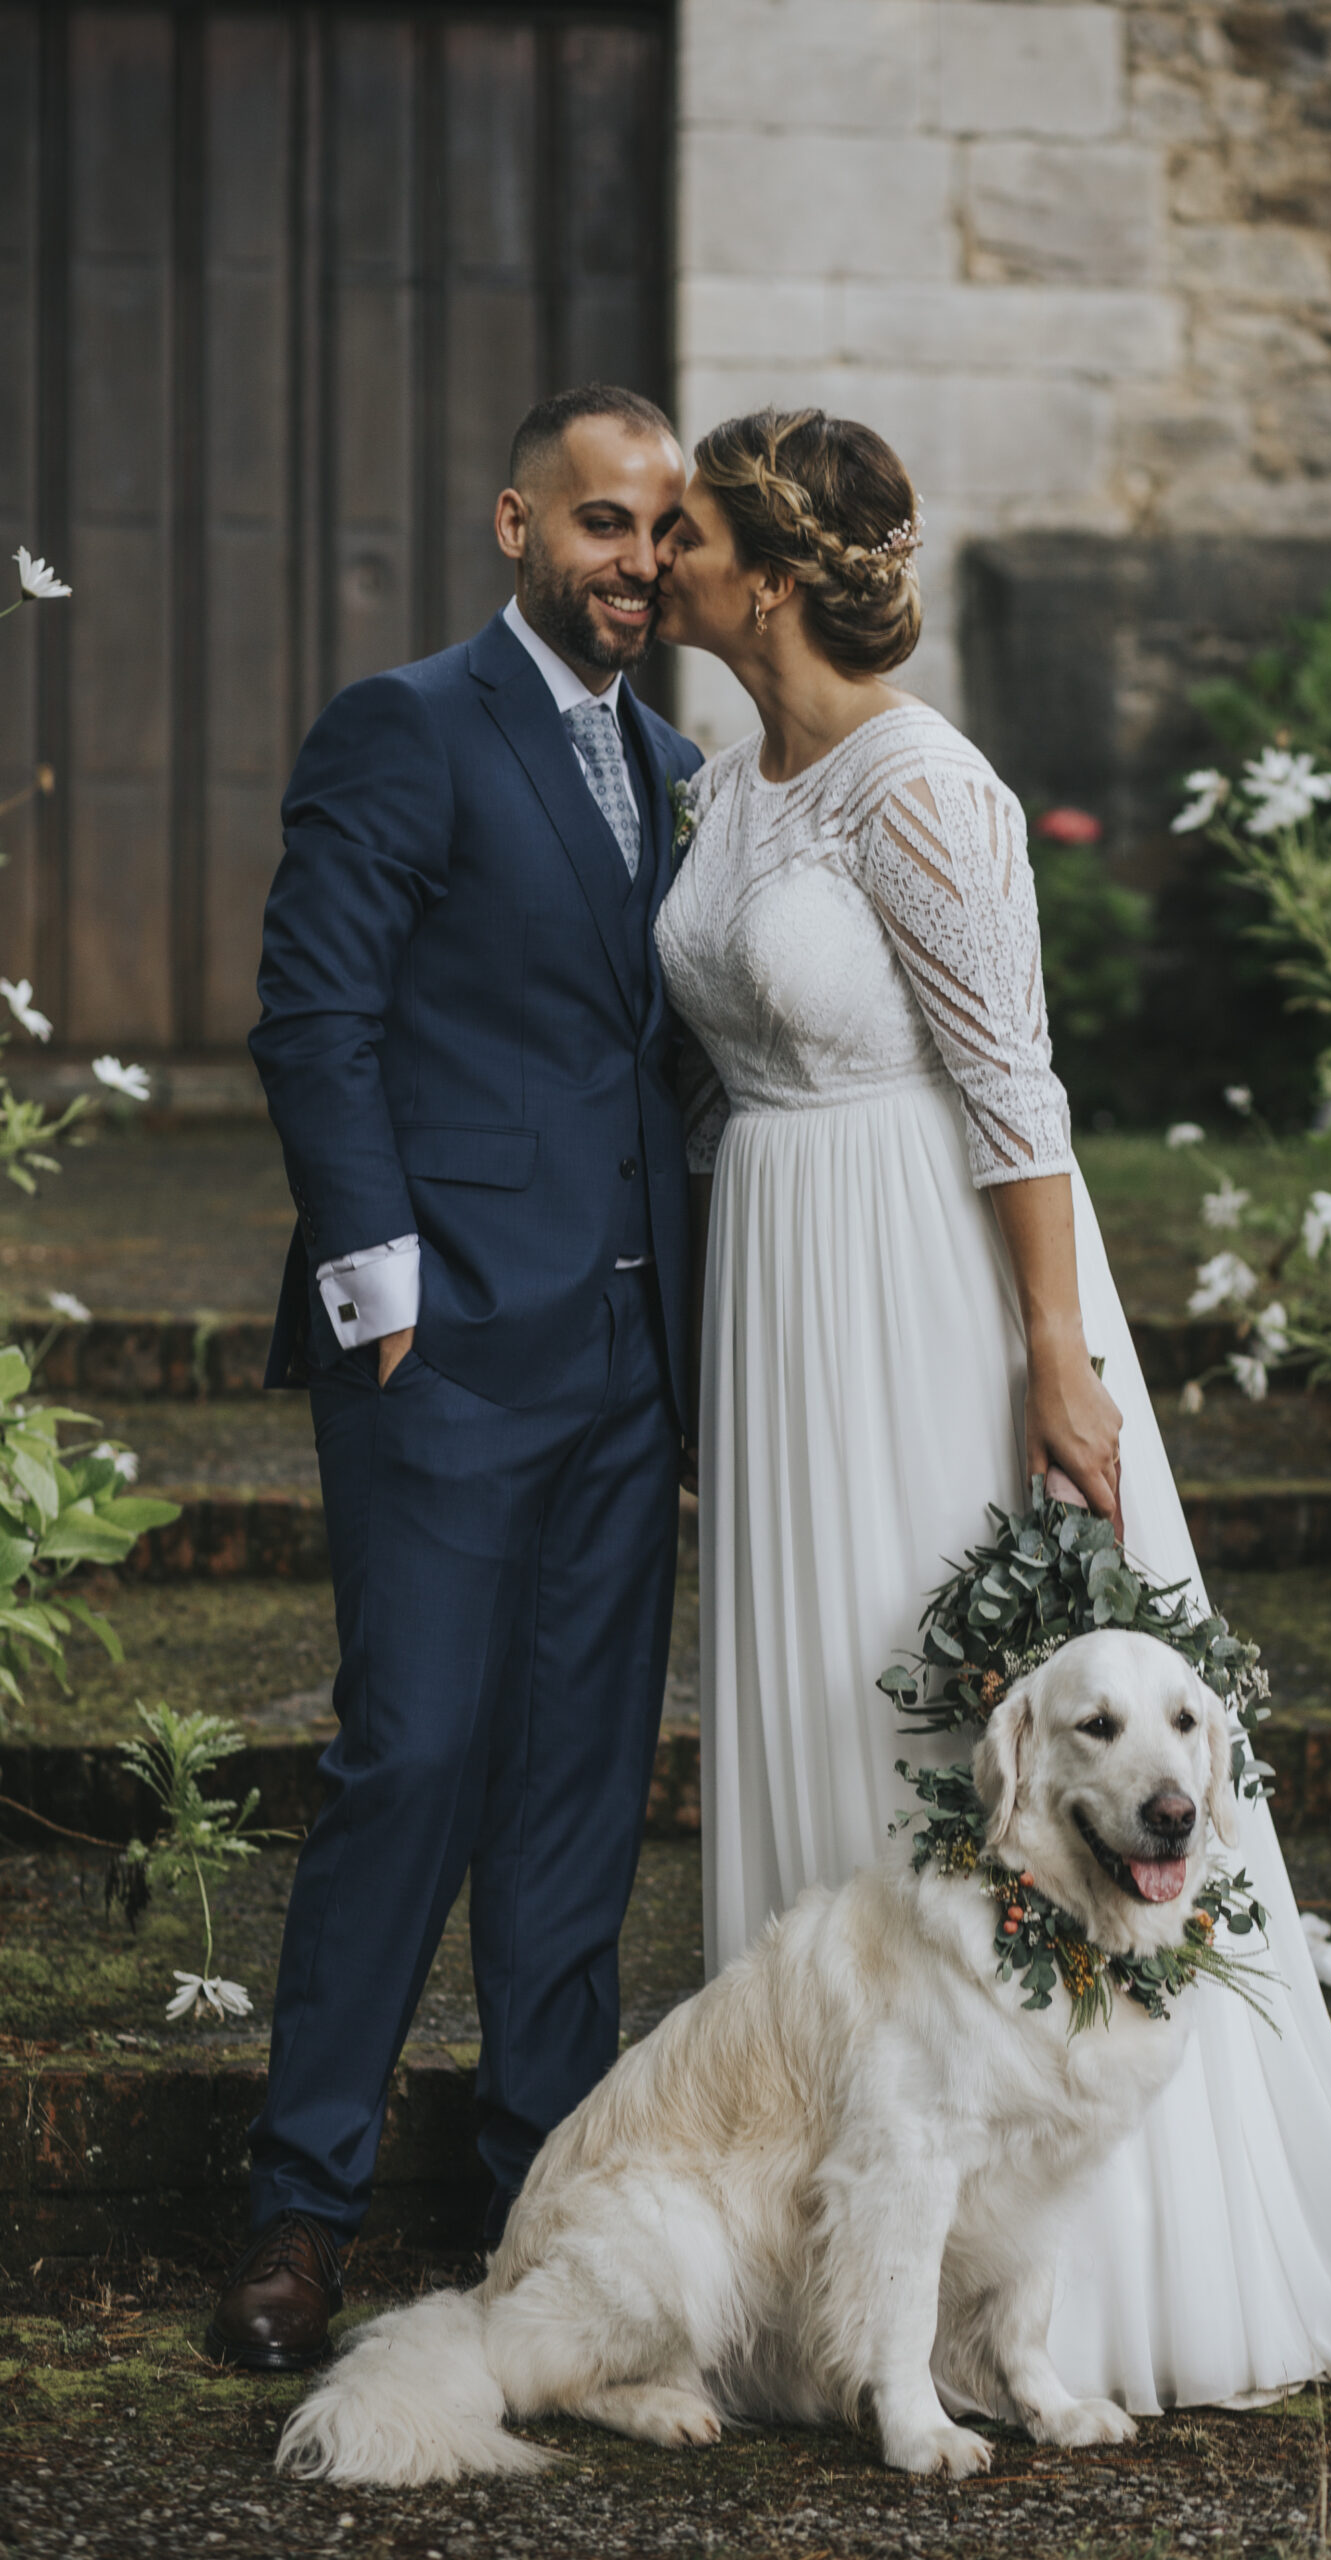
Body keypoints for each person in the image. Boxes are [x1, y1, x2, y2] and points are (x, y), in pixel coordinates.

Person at [651, 405, 1331, 2406]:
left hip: (924, 1287)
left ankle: (1065, 2293)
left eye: (685, 530)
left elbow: (1012, 1082)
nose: (655, 554)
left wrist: (1057, 1352)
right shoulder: (728, 782)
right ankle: (839, 2279)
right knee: (821, 1716)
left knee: (949, 1718)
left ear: (768, 573)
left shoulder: (926, 784)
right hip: (779, 1283)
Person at [209, 386, 702, 2373]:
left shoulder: (682, 768)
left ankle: (539, 2210)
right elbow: (310, 1012)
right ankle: (299, 2209)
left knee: (577, 1795)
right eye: (601, 523)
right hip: (445, 1343)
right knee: (407, 1761)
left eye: (661, 532)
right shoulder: (405, 724)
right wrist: (376, 1285)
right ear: (518, 524)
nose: (636, 564)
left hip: (631, 1365)